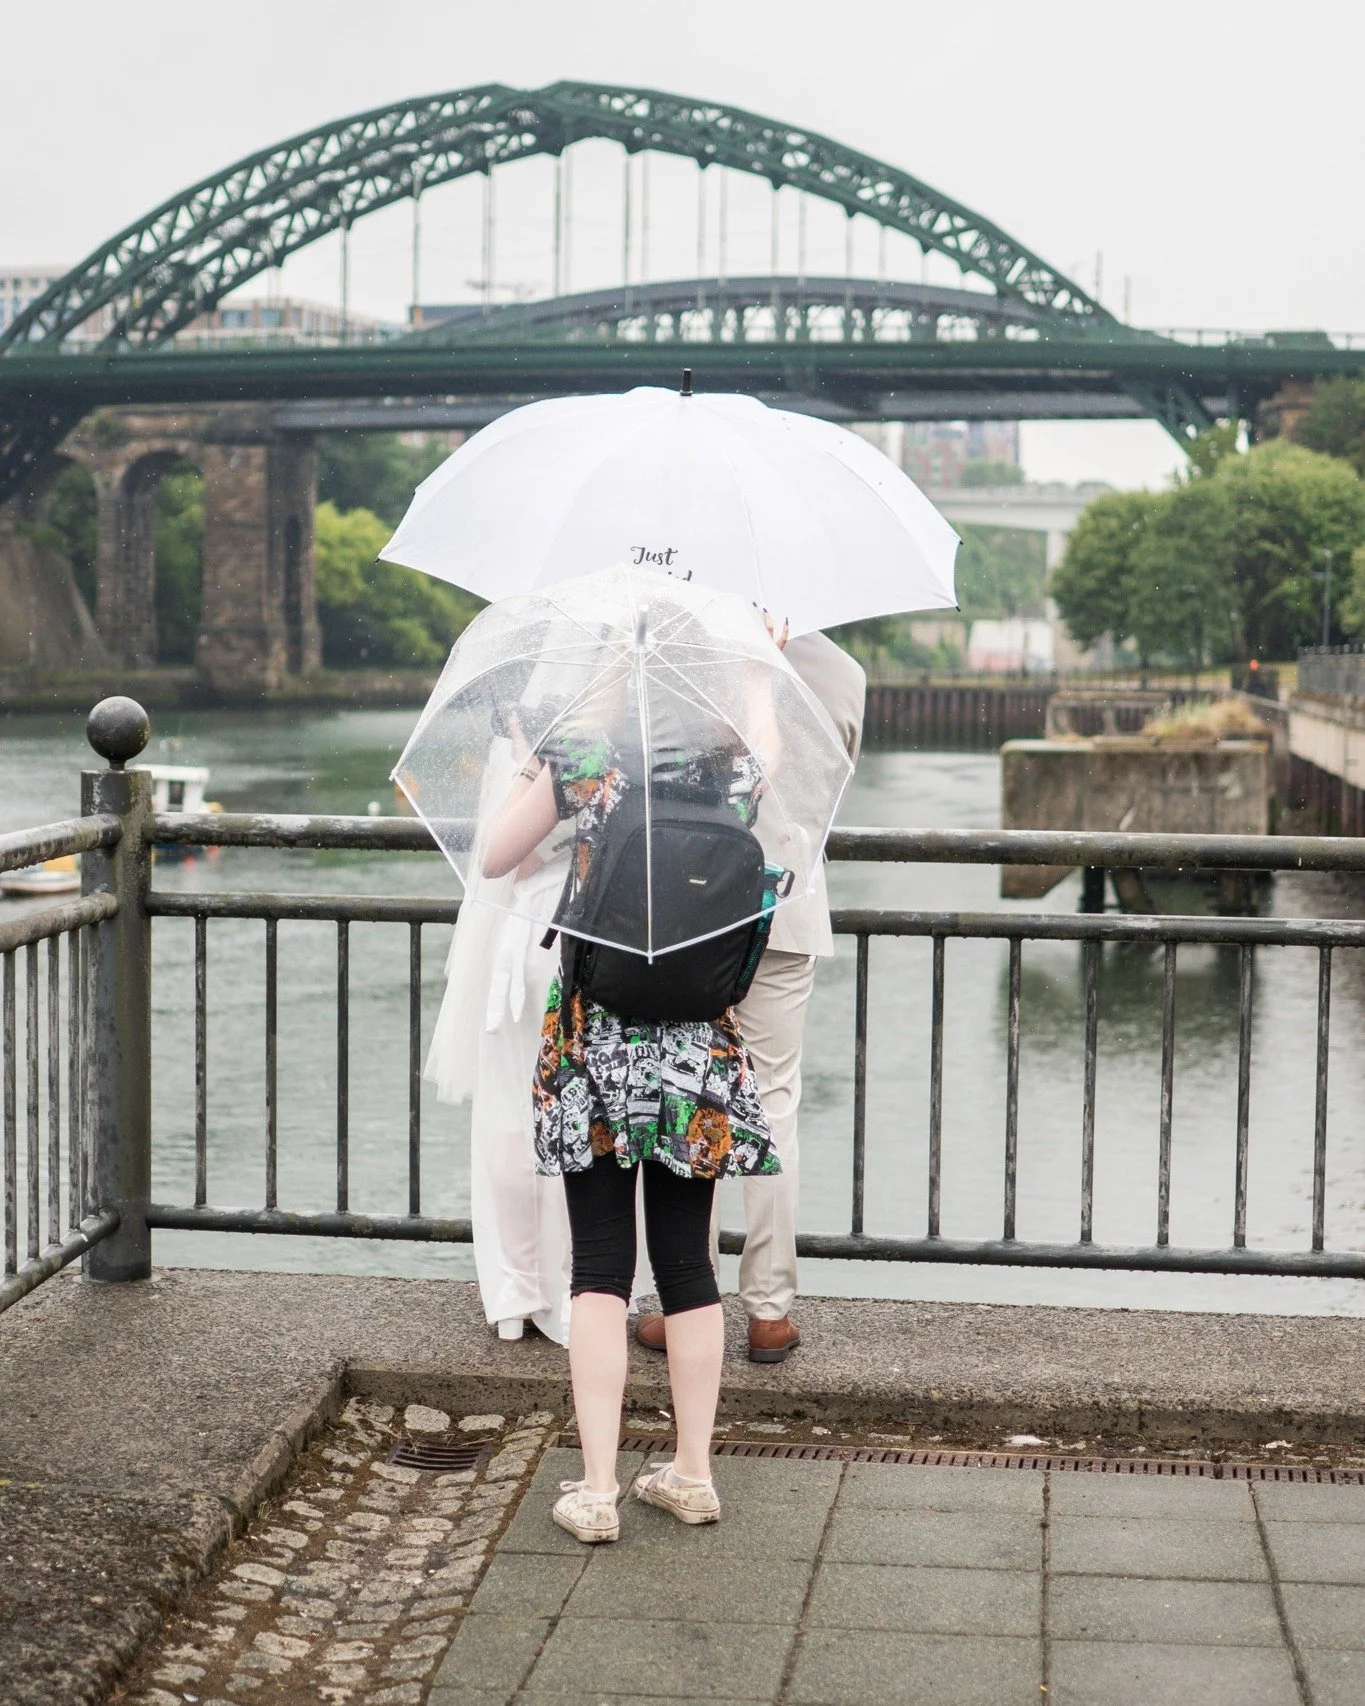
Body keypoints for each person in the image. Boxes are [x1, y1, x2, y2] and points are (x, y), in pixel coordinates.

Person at [480, 708, 780, 1544]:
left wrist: (530, 763)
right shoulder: (733, 761)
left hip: (596, 1038)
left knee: (600, 1267)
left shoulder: (588, 751)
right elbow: (771, 749)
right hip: (697, 1046)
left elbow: (495, 854)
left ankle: (598, 1489)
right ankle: (692, 1476)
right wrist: (758, 677)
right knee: (687, 1265)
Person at [633, 631, 866, 1362]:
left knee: (689, 1094)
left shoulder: (684, 658)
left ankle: (686, 1300)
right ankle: (769, 1310)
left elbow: (662, 775)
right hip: (788, 906)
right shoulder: (842, 672)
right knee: (774, 1104)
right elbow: (827, 789)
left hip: (695, 905)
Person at [425, 740, 573, 1346]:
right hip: (602, 935)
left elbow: (498, 856)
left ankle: (516, 1291)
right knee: (578, 1117)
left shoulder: (560, 750)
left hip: (538, 934)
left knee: (512, 1114)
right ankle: (570, 1293)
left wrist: (527, 764)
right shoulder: (643, 746)